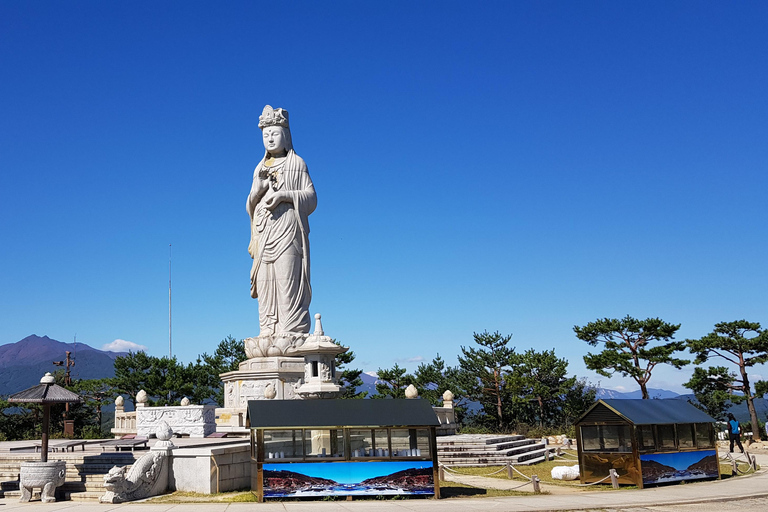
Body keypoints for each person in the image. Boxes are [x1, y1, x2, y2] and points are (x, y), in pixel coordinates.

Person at [246, 105, 316, 337]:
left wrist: (285, 196)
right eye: (265, 135)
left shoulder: (297, 164)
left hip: (288, 231)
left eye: (274, 133)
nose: (270, 139)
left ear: (286, 136)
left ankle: (291, 332)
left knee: (288, 284)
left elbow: (311, 198)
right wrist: (258, 191)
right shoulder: (259, 168)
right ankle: (268, 332)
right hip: (264, 234)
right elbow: (250, 205)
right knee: (266, 287)